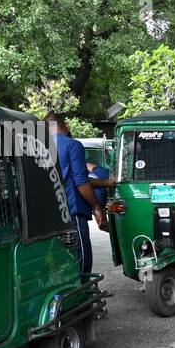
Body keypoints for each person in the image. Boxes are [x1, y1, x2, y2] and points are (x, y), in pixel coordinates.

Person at [48, 113, 104, 276]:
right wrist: (96, 207)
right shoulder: (73, 145)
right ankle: (83, 291)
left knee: (57, 256)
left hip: (47, 214)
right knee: (82, 255)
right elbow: (81, 182)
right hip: (71, 210)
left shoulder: (37, 146)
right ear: (64, 125)